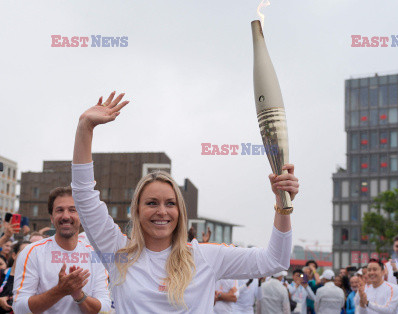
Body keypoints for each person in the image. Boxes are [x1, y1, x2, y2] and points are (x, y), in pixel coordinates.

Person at [71, 92, 298, 313]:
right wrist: (85, 128)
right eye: (151, 203)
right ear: (137, 211)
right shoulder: (118, 253)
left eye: (170, 203)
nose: (162, 211)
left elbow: (275, 260)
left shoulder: (205, 258)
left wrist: (282, 204)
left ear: (180, 210)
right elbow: (84, 196)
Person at [13, 186, 111, 314]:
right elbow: (19, 308)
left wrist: (79, 296)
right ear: (52, 218)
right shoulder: (31, 253)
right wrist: (60, 291)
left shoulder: (96, 255)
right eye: (59, 210)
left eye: (72, 210)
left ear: (82, 216)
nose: (66, 216)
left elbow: (105, 308)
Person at [0, 241, 30, 313]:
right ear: (14, 255)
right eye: (25, 252)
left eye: (32, 253)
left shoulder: (33, 280)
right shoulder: (1, 274)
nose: (28, 256)